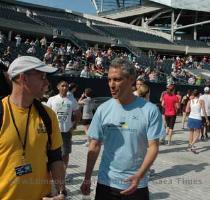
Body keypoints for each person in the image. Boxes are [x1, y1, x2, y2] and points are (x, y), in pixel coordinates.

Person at [80, 57, 165, 200]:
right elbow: (94, 146)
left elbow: (153, 147)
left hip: (136, 185)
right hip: (106, 184)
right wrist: (87, 177)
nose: (111, 85)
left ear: (131, 80)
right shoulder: (103, 109)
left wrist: (140, 175)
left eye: (117, 79)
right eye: (109, 80)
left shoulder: (150, 110)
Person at [0, 56, 66, 199]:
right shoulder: (2, 112)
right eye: (42, 77)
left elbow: (55, 157)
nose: (47, 82)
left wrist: (61, 191)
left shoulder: (48, 115)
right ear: (23, 78)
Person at [47, 80, 80, 176]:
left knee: (65, 153)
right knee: (52, 153)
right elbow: (47, 114)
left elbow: (78, 113)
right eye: (62, 86)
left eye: (66, 86)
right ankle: (51, 173)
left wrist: (74, 125)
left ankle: (63, 173)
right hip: (54, 132)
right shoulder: (52, 99)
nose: (65, 88)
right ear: (58, 87)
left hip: (66, 131)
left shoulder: (71, 100)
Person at [186, 89, 209, 154]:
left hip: (191, 117)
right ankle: (191, 144)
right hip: (198, 118)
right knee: (198, 133)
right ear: (199, 95)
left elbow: (187, 110)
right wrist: (207, 119)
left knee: (191, 132)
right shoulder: (201, 101)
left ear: (193, 94)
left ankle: (190, 145)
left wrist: (191, 108)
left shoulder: (190, 101)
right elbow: (204, 111)